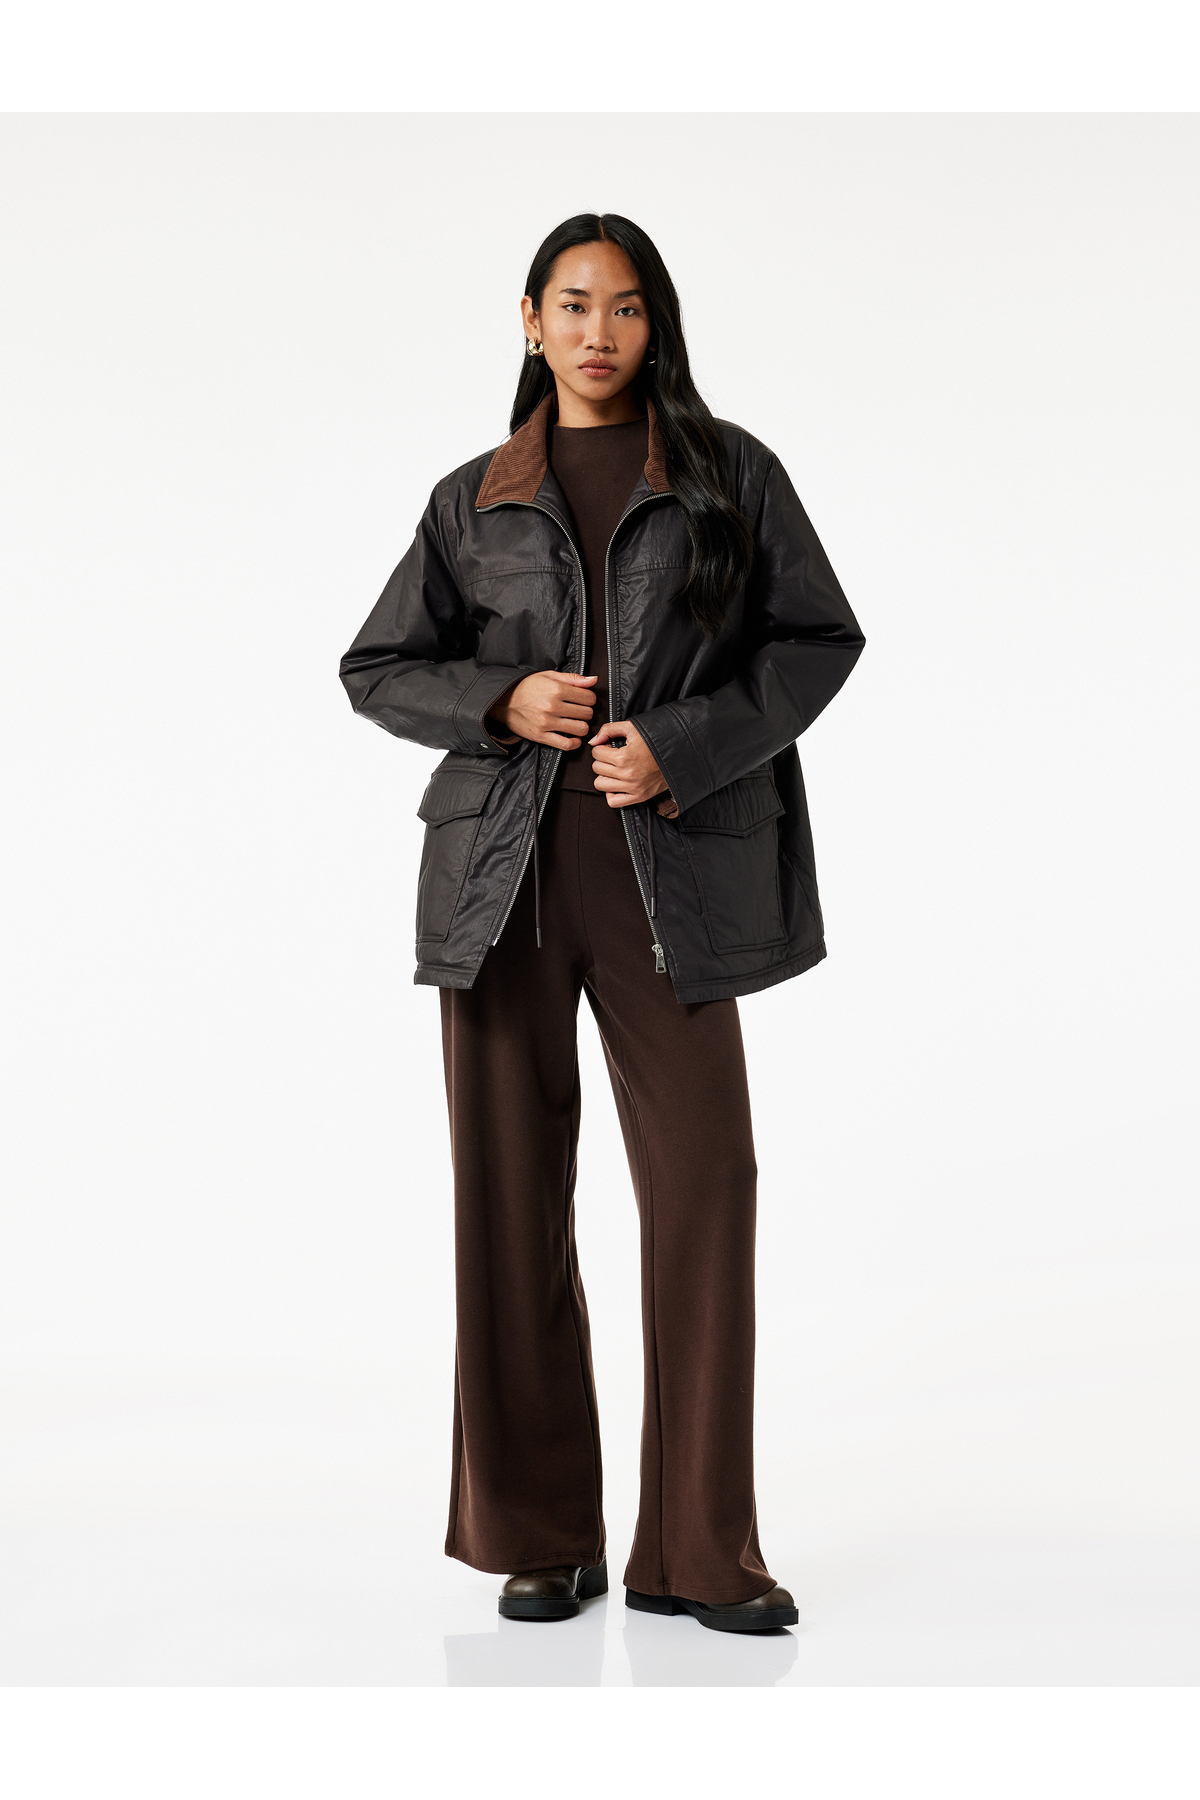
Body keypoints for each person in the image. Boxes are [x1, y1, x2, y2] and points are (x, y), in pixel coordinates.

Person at [339, 212, 864, 1633]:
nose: (597, 331)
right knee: (509, 1204)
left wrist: (681, 746)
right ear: (530, 321)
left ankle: (699, 1548)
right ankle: (540, 1534)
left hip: (670, 877)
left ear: (656, 324)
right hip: (499, 884)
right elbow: (377, 666)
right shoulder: (473, 500)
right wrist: (500, 699)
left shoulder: (728, 474)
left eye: (625, 307)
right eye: (572, 305)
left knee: (705, 1188)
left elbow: (817, 640)